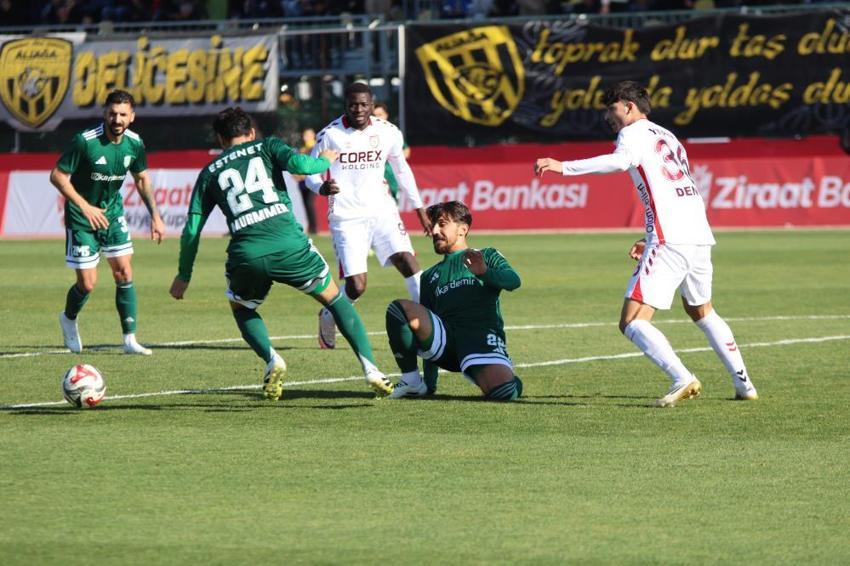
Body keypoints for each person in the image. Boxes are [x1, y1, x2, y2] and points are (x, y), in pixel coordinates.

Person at [534, 80, 759, 407]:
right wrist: (650, 233)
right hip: (697, 234)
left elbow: (619, 161)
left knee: (632, 321)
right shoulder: (667, 135)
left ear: (628, 106)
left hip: (670, 237)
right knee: (702, 310)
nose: (608, 117)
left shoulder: (632, 133)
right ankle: (744, 384)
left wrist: (562, 166)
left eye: (611, 109)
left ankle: (682, 377)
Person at [169, 107, 393, 400]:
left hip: (247, 253)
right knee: (336, 300)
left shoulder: (209, 172)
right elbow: (302, 165)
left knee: (242, 308)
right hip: (289, 245)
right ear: (251, 133)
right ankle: (371, 369)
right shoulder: (267, 146)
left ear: (220, 139)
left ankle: (272, 359)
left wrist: (184, 274)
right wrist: (324, 160)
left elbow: (191, 229)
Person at [305, 82, 431, 350]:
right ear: (345, 105)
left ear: (372, 104)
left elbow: (402, 169)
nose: (359, 109)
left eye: (364, 104)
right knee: (357, 286)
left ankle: (428, 329)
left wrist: (419, 209)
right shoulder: (330, 134)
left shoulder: (388, 131)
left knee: (408, 262)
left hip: (383, 211)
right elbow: (311, 173)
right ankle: (328, 314)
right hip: (347, 216)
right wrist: (321, 187)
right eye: (353, 105)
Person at [50, 89, 165, 356]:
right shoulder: (85, 141)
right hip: (81, 217)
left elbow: (141, 179)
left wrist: (156, 216)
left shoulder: (135, 143)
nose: (117, 119)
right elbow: (57, 176)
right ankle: (68, 318)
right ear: (105, 114)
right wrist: (85, 206)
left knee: (124, 271)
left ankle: (129, 339)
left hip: (112, 214)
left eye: (123, 114)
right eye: (112, 114)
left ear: (132, 117)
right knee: (87, 284)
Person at [385, 201, 523, 401]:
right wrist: (430, 384)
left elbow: (514, 281)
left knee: (505, 393)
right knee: (399, 309)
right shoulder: (429, 276)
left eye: (441, 224)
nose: (434, 231)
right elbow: (426, 330)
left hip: (479, 339)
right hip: (447, 344)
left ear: (462, 230)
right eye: (433, 225)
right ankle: (412, 380)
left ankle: (498, 371)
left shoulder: (486, 255)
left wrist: (485, 272)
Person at [372, 101, 411, 203]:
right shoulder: (365, 133)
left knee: (392, 206)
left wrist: (392, 158)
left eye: (380, 115)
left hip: (391, 177)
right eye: (374, 115)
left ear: (386, 115)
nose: (377, 118)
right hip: (372, 177)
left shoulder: (392, 132)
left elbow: (406, 150)